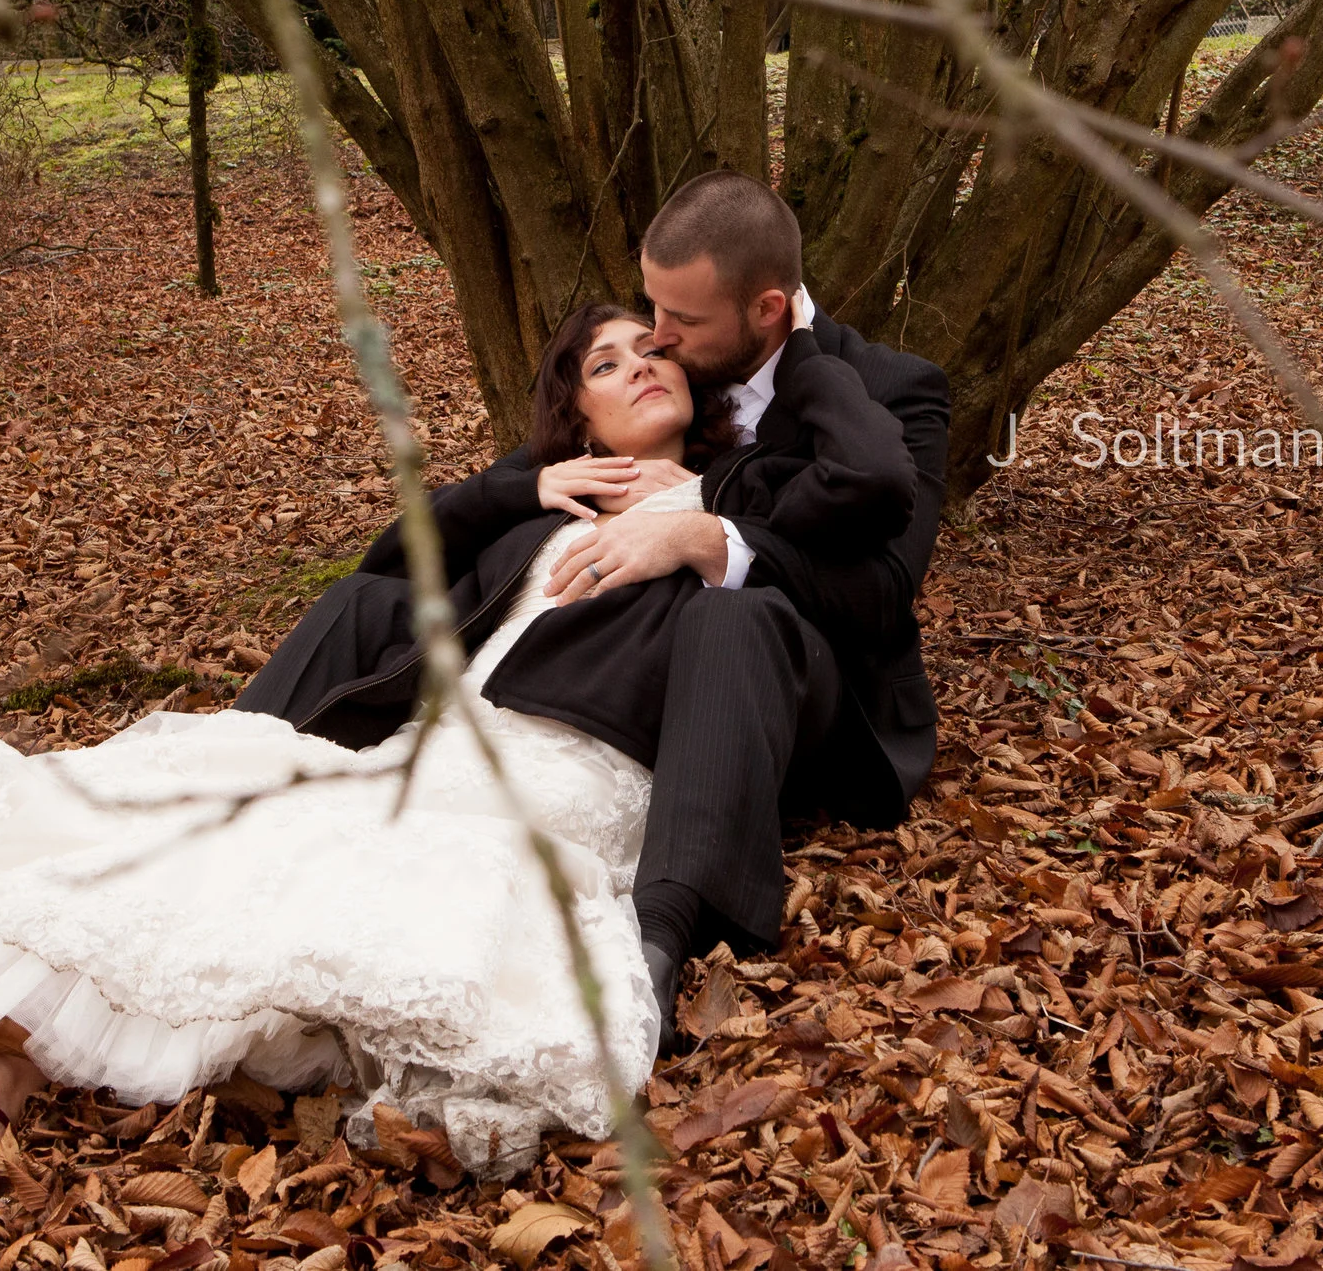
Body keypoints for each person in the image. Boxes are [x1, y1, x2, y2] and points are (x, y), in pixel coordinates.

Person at [0, 301, 916, 1178]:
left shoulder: (745, 493)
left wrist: (720, 479)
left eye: (654, 349)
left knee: (330, 880)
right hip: (440, 742)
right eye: (608, 364)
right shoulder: (542, 508)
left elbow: (860, 503)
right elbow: (390, 562)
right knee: (235, 833)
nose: (643, 365)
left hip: (565, 774)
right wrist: (520, 482)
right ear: (578, 418)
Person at [243, 172, 953, 1042]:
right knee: (374, 636)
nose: (657, 342)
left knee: (728, 619)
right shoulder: (674, 363)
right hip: (583, 680)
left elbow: (879, 594)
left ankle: (664, 939)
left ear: (766, 310)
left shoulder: (891, 390)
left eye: (675, 326)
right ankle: (242, 767)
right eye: (644, 321)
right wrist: (531, 485)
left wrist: (705, 533)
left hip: (804, 679)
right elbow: (553, 448)